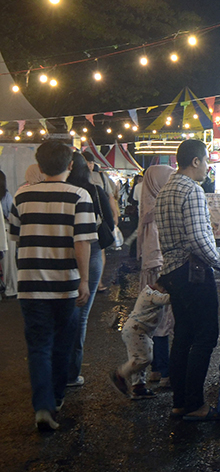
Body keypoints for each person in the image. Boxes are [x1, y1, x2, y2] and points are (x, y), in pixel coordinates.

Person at [10, 141, 96, 431]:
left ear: (39, 165)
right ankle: (57, 398)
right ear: (70, 166)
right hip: (66, 286)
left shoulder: (21, 196)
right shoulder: (79, 195)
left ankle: (43, 406)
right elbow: (81, 242)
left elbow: (16, 237)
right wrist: (84, 280)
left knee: (38, 346)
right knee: (62, 344)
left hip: (30, 285)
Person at [155, 139, 220, 421]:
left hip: (173, 271)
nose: (207, 167)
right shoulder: (191, 189)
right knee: (204, 336)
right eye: (206, 161)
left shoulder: (167, 188)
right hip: (191, 272)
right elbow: (197, 239)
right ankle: (194, 404)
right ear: (195, 161)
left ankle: (180, 403)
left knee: (183, 336)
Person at [65, 151, 115, 387]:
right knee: (81, 314)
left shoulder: (62, 191)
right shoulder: (93, 190)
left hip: (63, 252)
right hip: (93, 250)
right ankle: (72, 373)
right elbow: (110, 222)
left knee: (61, 311)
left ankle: (58, 369)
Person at [137, 164, 175, 387]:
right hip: (160, 268)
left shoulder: (146, 206)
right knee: (164, 320)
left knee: (152, 319)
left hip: (149, 268)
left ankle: (154, 369)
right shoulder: (161, 209)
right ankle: (165, 371)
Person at [110, 280, 170, 400]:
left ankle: (138, 387)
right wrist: (179, 292)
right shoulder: (151, 294)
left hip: (139, 331)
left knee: (137, 359)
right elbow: (165, 299)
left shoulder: (150, 292)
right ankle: (120, 374)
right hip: (136, 331)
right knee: (144, 359)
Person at [84, 151, 118, 293]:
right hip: (83, 220)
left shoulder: (102, 177)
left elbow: (110, 197)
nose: (89, 165)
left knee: (99, 251)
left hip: (98, 221)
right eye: (87, 162)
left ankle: (97, 282)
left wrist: (114, 214)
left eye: (91, 163)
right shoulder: (75, 178)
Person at [0, 169, 15, 298]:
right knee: (9, 264)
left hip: (4, 229)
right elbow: (11, 215)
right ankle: (11, 289)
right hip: (6, 230)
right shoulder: (6, 195)